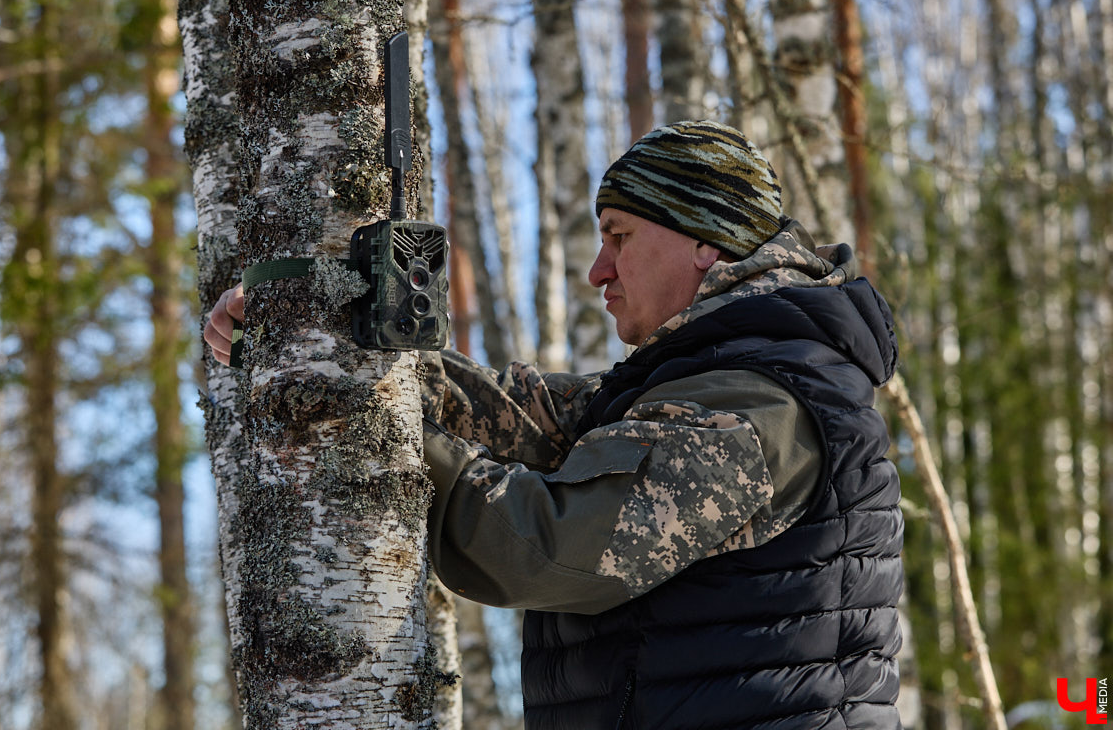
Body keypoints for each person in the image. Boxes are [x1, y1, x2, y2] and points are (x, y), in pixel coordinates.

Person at [205, 120, 903, 729]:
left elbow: (549, 545)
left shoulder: (758, 407)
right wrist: (312, 338)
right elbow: (521, 415)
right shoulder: (694, 385)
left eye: (620, 237)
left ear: (706, 245)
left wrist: (367, 417)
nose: (599, 271)